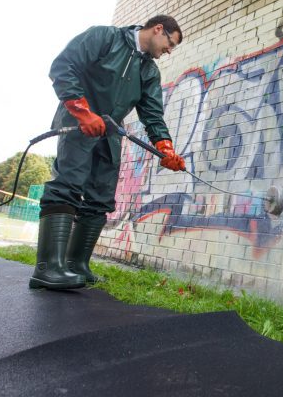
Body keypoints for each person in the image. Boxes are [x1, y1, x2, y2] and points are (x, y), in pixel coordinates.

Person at [30, 15, 186, 290]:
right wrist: (82, 111)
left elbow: (152, 114)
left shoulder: (149, 71)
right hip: (79, 123)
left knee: (101, 197)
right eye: (169, 44)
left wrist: (165, 147)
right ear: (158, 29)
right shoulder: (105, 38)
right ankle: (48, 268)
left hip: (110, 132)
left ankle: (77, 265)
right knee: (67, 185)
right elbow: (63, 66)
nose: (168, 51)